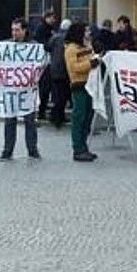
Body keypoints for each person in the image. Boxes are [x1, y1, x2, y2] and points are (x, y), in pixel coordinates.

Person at [1, 18, 41, 161]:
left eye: (17, 30)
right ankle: (7, 150)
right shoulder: (6, 46)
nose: (14, 33)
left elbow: (40, 64)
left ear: (25, 30)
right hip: (10, 91)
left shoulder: (33, 47)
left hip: (27, 91)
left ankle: (32, 150)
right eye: (13, 30)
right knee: (9, 121)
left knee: (30, 121)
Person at [64, 21, 98, 161]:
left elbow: (91, 57)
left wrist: (97, 58)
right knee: (79, 117)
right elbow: (74, 68)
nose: (88, 33)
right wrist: (91, 64)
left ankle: (84, 147)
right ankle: (78, 149)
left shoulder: (87, 46)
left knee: (88, 116)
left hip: (90, 84)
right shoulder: (71, 49)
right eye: (85, 31)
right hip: (79, 85)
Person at [46, 19, 71, 128]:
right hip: (65, 70)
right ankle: (58, 117)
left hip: (54, 69)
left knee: (57, 95)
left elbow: (47, 47)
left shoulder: (55, 37)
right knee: (63, 95)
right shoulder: (69, 39)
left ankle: (56, 116)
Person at [34, 10, 58, 120]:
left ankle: (43, 109)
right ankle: (41, 111)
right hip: (44, 61)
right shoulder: (42, 29)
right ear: (47, 18)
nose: (54, 20)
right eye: (52, 18)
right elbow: (42, 43)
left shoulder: (49, 29)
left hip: (48, 61)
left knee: (47, 87)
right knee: (44, 87)